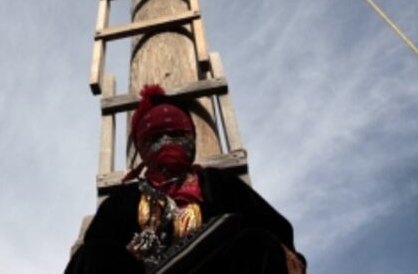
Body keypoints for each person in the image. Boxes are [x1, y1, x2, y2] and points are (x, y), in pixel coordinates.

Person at [66, 85, 306, 273]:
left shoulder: (219, 184)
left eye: (177, 134)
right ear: (142, 148)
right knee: (94, 255)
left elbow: (275, 230)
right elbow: (96, 253)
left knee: (258, 242)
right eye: (156, 137)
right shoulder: (123, 200)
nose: (168, 141)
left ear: (192, 139)